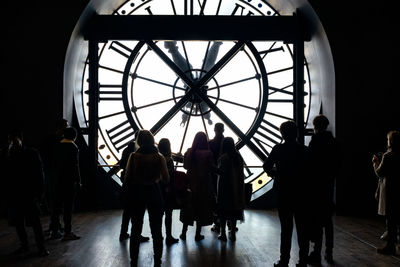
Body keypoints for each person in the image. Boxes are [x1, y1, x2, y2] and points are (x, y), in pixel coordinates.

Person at [263, 121, 310, 267]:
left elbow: (267, 166)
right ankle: (303, 260)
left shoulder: (278, 149)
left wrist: (276, 175)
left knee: (286, 229)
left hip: (284, 192)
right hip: (301, 193)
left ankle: (284, 260)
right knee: (303, 229)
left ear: (282, 133)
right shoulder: (304, 150)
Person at [124, 130, 169, 267]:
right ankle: (158, 259)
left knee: (136, 228)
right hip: (154, 193)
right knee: (156, 230)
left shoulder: (133, 156)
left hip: (137, 193)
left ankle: (134, 258)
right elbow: (166, 179)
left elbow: (127, 178)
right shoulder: (159, 157)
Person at [4, 130, 49, 256]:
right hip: (28, 194)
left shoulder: (8, 155)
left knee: (20, 223)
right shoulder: (32, 153)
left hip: (17, 194)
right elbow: (40, 174)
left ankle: (25, 246)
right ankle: (41, 247)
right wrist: (40, 192)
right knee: (35, 223)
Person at [307, 115, 339, 265]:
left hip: (316, 187)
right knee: (327, 222)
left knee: (317, 222)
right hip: (327, 185)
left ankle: (316, 252)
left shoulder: (315, 142)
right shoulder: (333, 143)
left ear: (315, 126)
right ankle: (329, 252)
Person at [180, 132, 215, 241]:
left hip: (190, 183)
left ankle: (183, 233)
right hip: (203, 184)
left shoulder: (189, 152)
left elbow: (185, 166)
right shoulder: (208, 153)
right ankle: (197, 234)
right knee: (201, 209)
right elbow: (211, 168)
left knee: (188, 209)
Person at [372, 130, 400, 255]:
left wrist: (375, 162)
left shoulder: (388, 156)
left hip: (390, 190)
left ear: (390, 141)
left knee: (391, 219)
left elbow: (379, 173)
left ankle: (390, 246)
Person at [52, 126, 81, 241]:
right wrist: (78, 181)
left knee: (56, 207)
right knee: (68, 208)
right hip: (69, 182)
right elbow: (75, 166)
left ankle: (55, 230)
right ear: (74, 136)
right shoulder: (73, 148)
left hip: (57, 181)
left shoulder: (57, 146)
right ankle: (67, 232)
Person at [40, 118, 68, 239]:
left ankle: (54, 226)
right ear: (61, 128)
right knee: (57, 202)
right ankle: (56, 227)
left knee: (54, 202)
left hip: (51, 174)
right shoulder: (61, 142)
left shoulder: (49, 140)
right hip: (56, 175)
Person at [118, 140, 150, 243]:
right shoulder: (139, 157)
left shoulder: (128, 153)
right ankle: (136, 235)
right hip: (138, 189)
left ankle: (123, 233)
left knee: (127, 212)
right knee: (137, 216)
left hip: (128, 188)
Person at [216, 137, 245, 242]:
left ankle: (222, 233)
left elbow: (222, 172)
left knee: (223, 213)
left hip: (224, 189)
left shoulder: (223, 158)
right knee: (233, 212)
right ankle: (232, 232)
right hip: (236, 189)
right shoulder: (238, 157)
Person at [158, 138, 179, 245]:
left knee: (158, 215)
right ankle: (168, 236)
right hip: (168, 191)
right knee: (168, 214)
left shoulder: (156, 158)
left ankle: (158, 235)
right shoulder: (169, 160)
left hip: (158, 190)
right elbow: (170, 175)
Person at [208, 123, 225, 234]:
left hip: (213, 175)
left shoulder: (210, 143)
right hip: (225, 176)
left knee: (215, 199)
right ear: (223, 130)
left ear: (214, 129)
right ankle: (227, 222)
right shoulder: (227, 143)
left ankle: (217, 223)